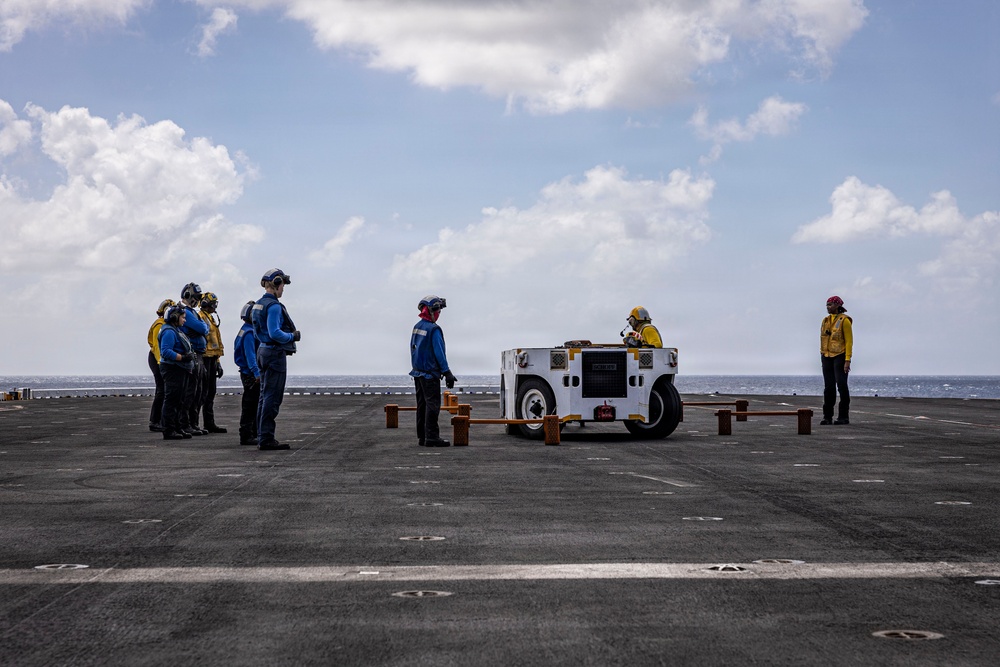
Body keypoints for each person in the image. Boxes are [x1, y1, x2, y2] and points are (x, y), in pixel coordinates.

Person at [252, 268, 300, 451]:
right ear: (277, 284)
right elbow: (275, 333)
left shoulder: (258, 304)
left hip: (262, 351)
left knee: (264, 396)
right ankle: (266, 438)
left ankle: (261, 435)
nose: (283, 289)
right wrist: (292, 337)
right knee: (272, 397)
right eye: (282, 286)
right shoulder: (273, 306)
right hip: (273, 353)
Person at [409, 295, 457, 447]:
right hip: (430, 375)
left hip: (418, 373)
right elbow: (439, 352)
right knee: (432, 405)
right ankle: (432, 437)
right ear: (431, 311)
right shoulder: (434, 329)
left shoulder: (417, 326)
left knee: (422, 405)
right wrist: (447, 372)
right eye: (438, 311)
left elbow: (413, 349)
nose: (439, 314)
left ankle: (422, 437)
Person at [157, 305, 196, 440]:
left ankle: (177, 427)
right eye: (183, 318)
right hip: (172, 368)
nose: (185, 320)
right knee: (172, 400)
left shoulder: (176, 330)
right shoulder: (169, 331)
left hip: (180, 368)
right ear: (175, 317)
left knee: (180, 399)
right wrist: (183, 357)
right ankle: (169, 430)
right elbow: (166, 351)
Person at [179, 282, 210, 436]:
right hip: (193, 355)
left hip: (199, 355)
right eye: (196, 296)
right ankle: (186, 424)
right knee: (191, 391)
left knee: (198, 392)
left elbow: (205, 328)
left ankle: (194, 423)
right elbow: (203, 328)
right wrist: (203, 327)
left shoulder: (192, 313)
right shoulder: (187, 313)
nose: (197, 300)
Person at [820, 295, 853, 425]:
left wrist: (847, 360)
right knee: (829, 387)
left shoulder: (844, 320)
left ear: (838, 305)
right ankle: (827, 416)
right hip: (826, 356)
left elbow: (849, 341)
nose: (828, 307)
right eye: (827, 305)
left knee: (842, 385)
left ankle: (843, 416)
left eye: (831, 304)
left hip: (840, 355)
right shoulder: (825, 320)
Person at [198, 291, 227, 433]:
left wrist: (218, 361)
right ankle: (195, 423)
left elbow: (215, 342)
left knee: (211, 392)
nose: (215, 306)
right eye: (212, 304)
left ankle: (209, 423)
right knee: (202, 392)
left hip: (212, 358)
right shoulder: (201, 317)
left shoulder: (210, 318)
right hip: (204, 358)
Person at [234, 300, 261, 447]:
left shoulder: (244, 329)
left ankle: (251, 433)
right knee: (251, 405)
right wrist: (257, 373)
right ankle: (247, 435)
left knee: (251, 404)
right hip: (250, 374)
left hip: (246, 372)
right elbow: (251, 356)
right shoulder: (250, 332)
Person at [146, 298, 175, 432]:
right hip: (157, 359)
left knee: (165, 390)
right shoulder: (160, 325)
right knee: (161, 390)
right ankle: (155, 421)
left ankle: (163, 420)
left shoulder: (168, 326)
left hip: (161, 360)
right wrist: (161, 364)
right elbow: (158, 347)